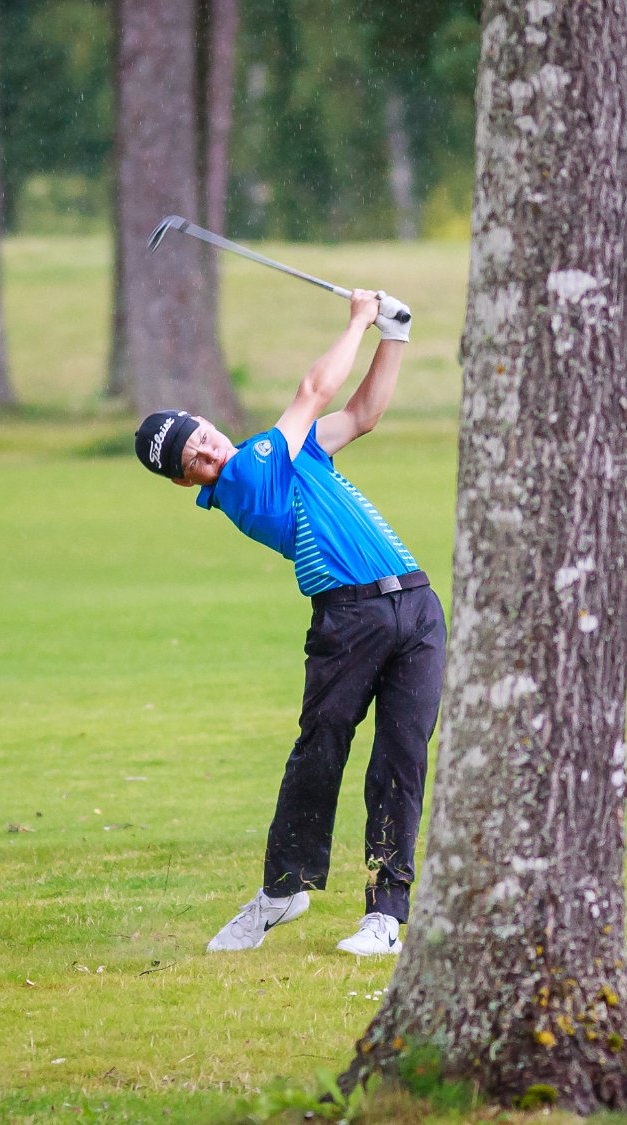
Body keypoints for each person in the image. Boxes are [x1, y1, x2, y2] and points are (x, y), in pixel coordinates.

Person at [133, 289, 438, 957]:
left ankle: (386, 916)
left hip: (415, 605)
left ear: (210, 421)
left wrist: (396, 335)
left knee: (401, 762)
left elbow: (359, 414)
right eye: (196, 461)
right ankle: (282, 890)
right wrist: (360, 317)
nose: (210, 454)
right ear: (189, 482)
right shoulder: (244, 480)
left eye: (205, 438)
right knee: (321, 751)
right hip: (348, 615)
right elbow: (314, 389)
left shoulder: (286, 451)